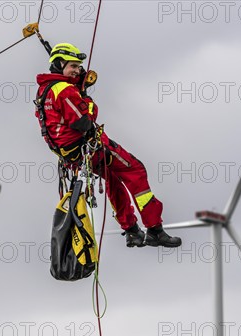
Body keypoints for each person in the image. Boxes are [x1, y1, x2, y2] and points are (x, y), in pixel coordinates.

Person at [34, 43, 181, 248]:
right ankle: (154, 229)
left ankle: (131, 231)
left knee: (113, 178)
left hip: (73, 154)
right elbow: (83, 122)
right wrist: (86, 97)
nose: (77, 70)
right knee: (135, 170)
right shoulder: (65, 91)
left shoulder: (45, 89)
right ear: (59, 64)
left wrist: (79, 89)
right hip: (87, 148)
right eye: (73, 66)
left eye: (78, 66)